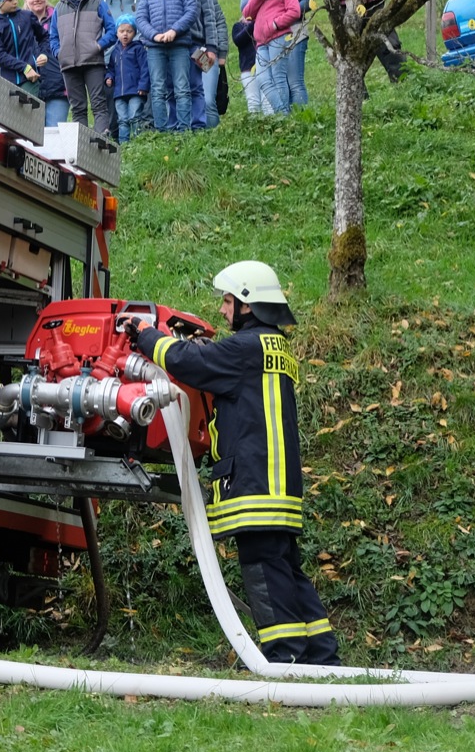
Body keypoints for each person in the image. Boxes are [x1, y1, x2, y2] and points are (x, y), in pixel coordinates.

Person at [124, 261, 339, 665]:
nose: (222, 311)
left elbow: (187, 362)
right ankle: (323, 658)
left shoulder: (244, 349)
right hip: (281, 485)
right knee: (288, 572)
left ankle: (285, 657)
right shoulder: (274, 348)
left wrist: (145, 335)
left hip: (255, 486)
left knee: (264, 575)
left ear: (248, 304)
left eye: (227, 301)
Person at [49, 0, 117, 133]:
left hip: (93, 62)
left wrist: (98, 46)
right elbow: (53, 36)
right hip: (69, 65)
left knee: (99, 104)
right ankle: (81, 145)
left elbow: (112, 30)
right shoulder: (59, 8)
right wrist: (59, 53)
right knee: (78, 108)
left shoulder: (97, 3)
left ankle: (102, 140)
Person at [135, 0, 196, 133]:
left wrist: (174, 31)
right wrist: (154, 35)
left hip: (179, 46)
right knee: (158, 89)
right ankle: (161, 131)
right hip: (155, 48)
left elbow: (191, 12)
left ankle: (184, 129)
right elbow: (141, 20)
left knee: (182, 87)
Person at [260, 0, 316, 111]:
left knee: (294, 81)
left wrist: (284, 14)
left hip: (295, 33)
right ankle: (287, 117)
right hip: (273, 38)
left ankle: (302, 120)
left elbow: (308, 2)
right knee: (279, 81)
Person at [244, 0, 304, 114]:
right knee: (263, 79)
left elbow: (294, 11)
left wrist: (276, 24)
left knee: (278, 77)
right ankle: (283, 112)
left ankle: (283, 117)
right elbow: (247, 14)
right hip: (261, 42)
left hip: (278, 38)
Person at [183, 0, 234, 130]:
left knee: (207, 98)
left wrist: (219, 52)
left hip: (201, 50)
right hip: (179, 52)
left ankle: (212, 141)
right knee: (185, 98)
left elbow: (216, 19)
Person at [94, 0, 141, 137]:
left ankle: (132, 147)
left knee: (133, 110)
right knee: (111, 112)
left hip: (132, 63)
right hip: (106, 63)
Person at [0, 0, 51, 99]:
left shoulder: (27, 16)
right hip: (7, 81)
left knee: (27, 115)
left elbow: (44, 37)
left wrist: (44, 53)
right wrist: (23, 67)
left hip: (31, 78)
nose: (15, 2)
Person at [109, 15, 151, 142]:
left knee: (134, 117)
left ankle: (137, 143)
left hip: (135, 91)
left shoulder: (138, 49)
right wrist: (109, 77)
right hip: (119, 93)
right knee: (122, 119)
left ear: (135, 33)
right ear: (117, 33)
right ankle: (124, 145)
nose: (125, 34)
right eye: (122, 31)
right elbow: (111, 68)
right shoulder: (114, 52)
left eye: (129, 31)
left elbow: (145, 69)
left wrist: (143, 86)